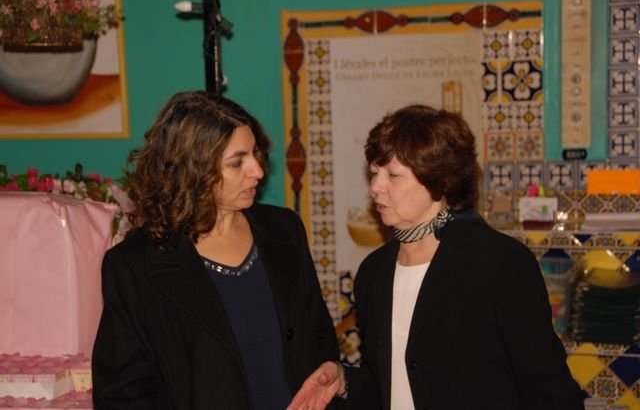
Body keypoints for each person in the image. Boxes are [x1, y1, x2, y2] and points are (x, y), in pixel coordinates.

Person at [288, 105, 585, 410]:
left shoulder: (499, 264)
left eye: (394, 175)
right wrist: (343, 380)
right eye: (374, 173)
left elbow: (548, 389)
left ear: (441, 181)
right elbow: (389, 385)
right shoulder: (373, 272)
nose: (376, 187)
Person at [92, 91, 341, 410]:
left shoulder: (284, 229)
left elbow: (319, 337)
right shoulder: (134, 265)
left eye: (255, 153)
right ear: (192, 170)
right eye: (237, 162)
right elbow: (121, 395)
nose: (257, 170)